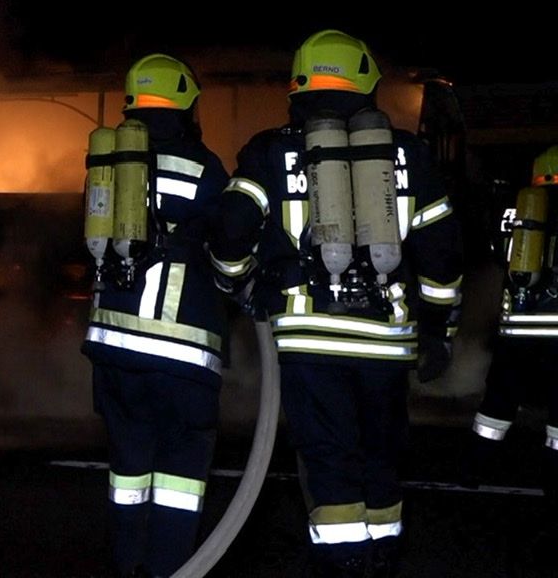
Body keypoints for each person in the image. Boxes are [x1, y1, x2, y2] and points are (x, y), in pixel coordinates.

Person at [208, 30, 463, 577]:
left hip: (310, 341)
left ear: (298, 84)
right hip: (387, 344)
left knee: (329, 460)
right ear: (366, 80)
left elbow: (230, 232)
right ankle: (382, 556)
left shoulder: (270, 151)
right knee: (381, 458)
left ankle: (342, 562)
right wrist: (438, 330)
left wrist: (243, 284)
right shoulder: (408, 154)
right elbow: (442, 252)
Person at [81, 53, 230, 578]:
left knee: (127, 474)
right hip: (180, 354)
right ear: (187, 102)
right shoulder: (203, 167)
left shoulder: (110, 162)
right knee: (179, 482)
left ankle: (127, 566)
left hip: (113, 352)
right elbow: (229, 243)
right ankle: (171, 570)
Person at [464, 146, 558, 506]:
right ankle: (553, 482)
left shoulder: (518, 210)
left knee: (497, 405)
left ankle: (474, 470)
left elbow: (498, 254)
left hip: (516, 330)